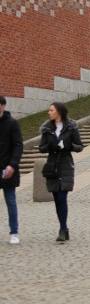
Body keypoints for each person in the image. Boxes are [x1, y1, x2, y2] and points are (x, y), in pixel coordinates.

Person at [39, 102, 84, 243]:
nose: (49, 112)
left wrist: (69, 146)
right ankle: (63, 228)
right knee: (57, 199)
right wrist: (50, 146)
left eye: (51, 110)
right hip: (52, 165)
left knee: (62, 197)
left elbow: (79, 146)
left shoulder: (71, 127)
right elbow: (41, 148)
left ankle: (62, 229)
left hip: (65, 164)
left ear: (58, 111)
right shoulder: (47, 128)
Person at [0, 96, 23, 245]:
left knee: (10, 201)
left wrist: (12, 165)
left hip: (8, 167)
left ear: (2, 105)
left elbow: (18, 145)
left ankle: (14, 232)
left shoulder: (12, 123)